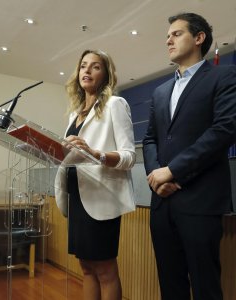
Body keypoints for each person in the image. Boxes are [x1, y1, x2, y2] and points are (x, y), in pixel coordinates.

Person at [143, 12, 236, 300]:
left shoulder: (224, 76)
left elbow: (224, 130)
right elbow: (150, 139)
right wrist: (157, 176)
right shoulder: (160, 92)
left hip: (200, 201)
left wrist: (171, 171)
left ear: (199, 38)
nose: (168, 39)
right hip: (161, 202)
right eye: (168, 35)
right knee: (170, 285)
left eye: (176, 33)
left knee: (206, 286)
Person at [55, 49, 136, 300]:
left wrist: (96, 154)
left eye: (95, 66)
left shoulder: (115, 104)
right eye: (83, 66)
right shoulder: (74, 112)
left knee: (105, 270)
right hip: (77, 198)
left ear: (106, 74)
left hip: (101, 199)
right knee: (86, 268)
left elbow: (129, 156)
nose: (87, 71)